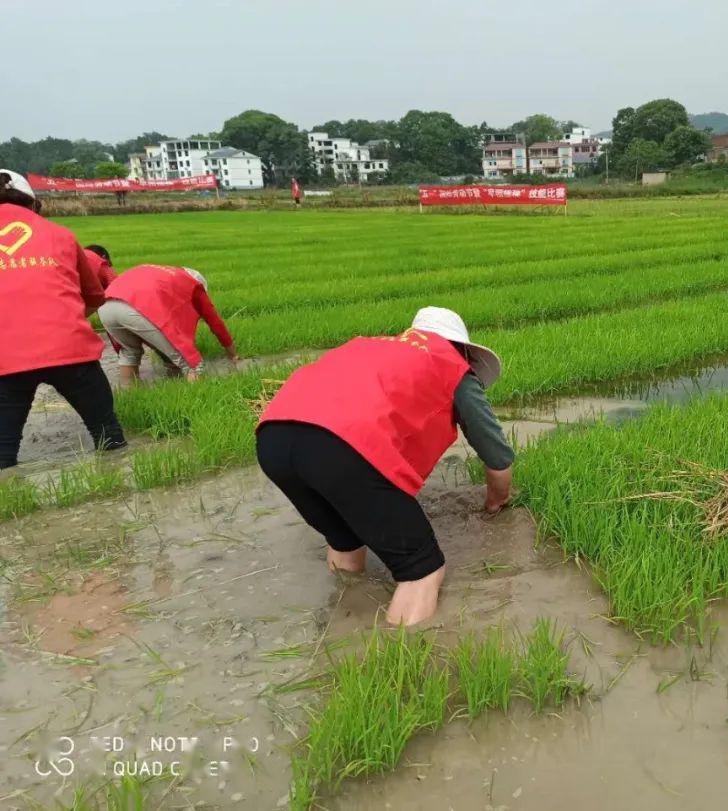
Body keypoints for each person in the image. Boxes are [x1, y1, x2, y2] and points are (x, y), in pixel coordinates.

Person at [256, 307, 514, 626]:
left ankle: (346, 621)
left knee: (346, 540)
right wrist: (496, 502)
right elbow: (497, 455)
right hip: (341, 446)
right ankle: (400, 664)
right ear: (462, 349)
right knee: (421, 568)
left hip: (273, 438)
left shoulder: (372, 346)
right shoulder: (451, 365)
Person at [0, 170, 126, 469]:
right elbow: (95, 295)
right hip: (71, 350)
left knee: (3, 454)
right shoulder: (60, 234)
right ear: (32, 203)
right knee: (110, 438)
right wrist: (60, 320)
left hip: (6, 359)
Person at [98, 264, 238, 386]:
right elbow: (215, 322)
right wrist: (232, 353)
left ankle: (131, 394)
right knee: (193, 365)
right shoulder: (194, 285)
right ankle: (196, 403)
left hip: (105, 306)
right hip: (137, 307)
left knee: (129, 352)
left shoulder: (166, 274)